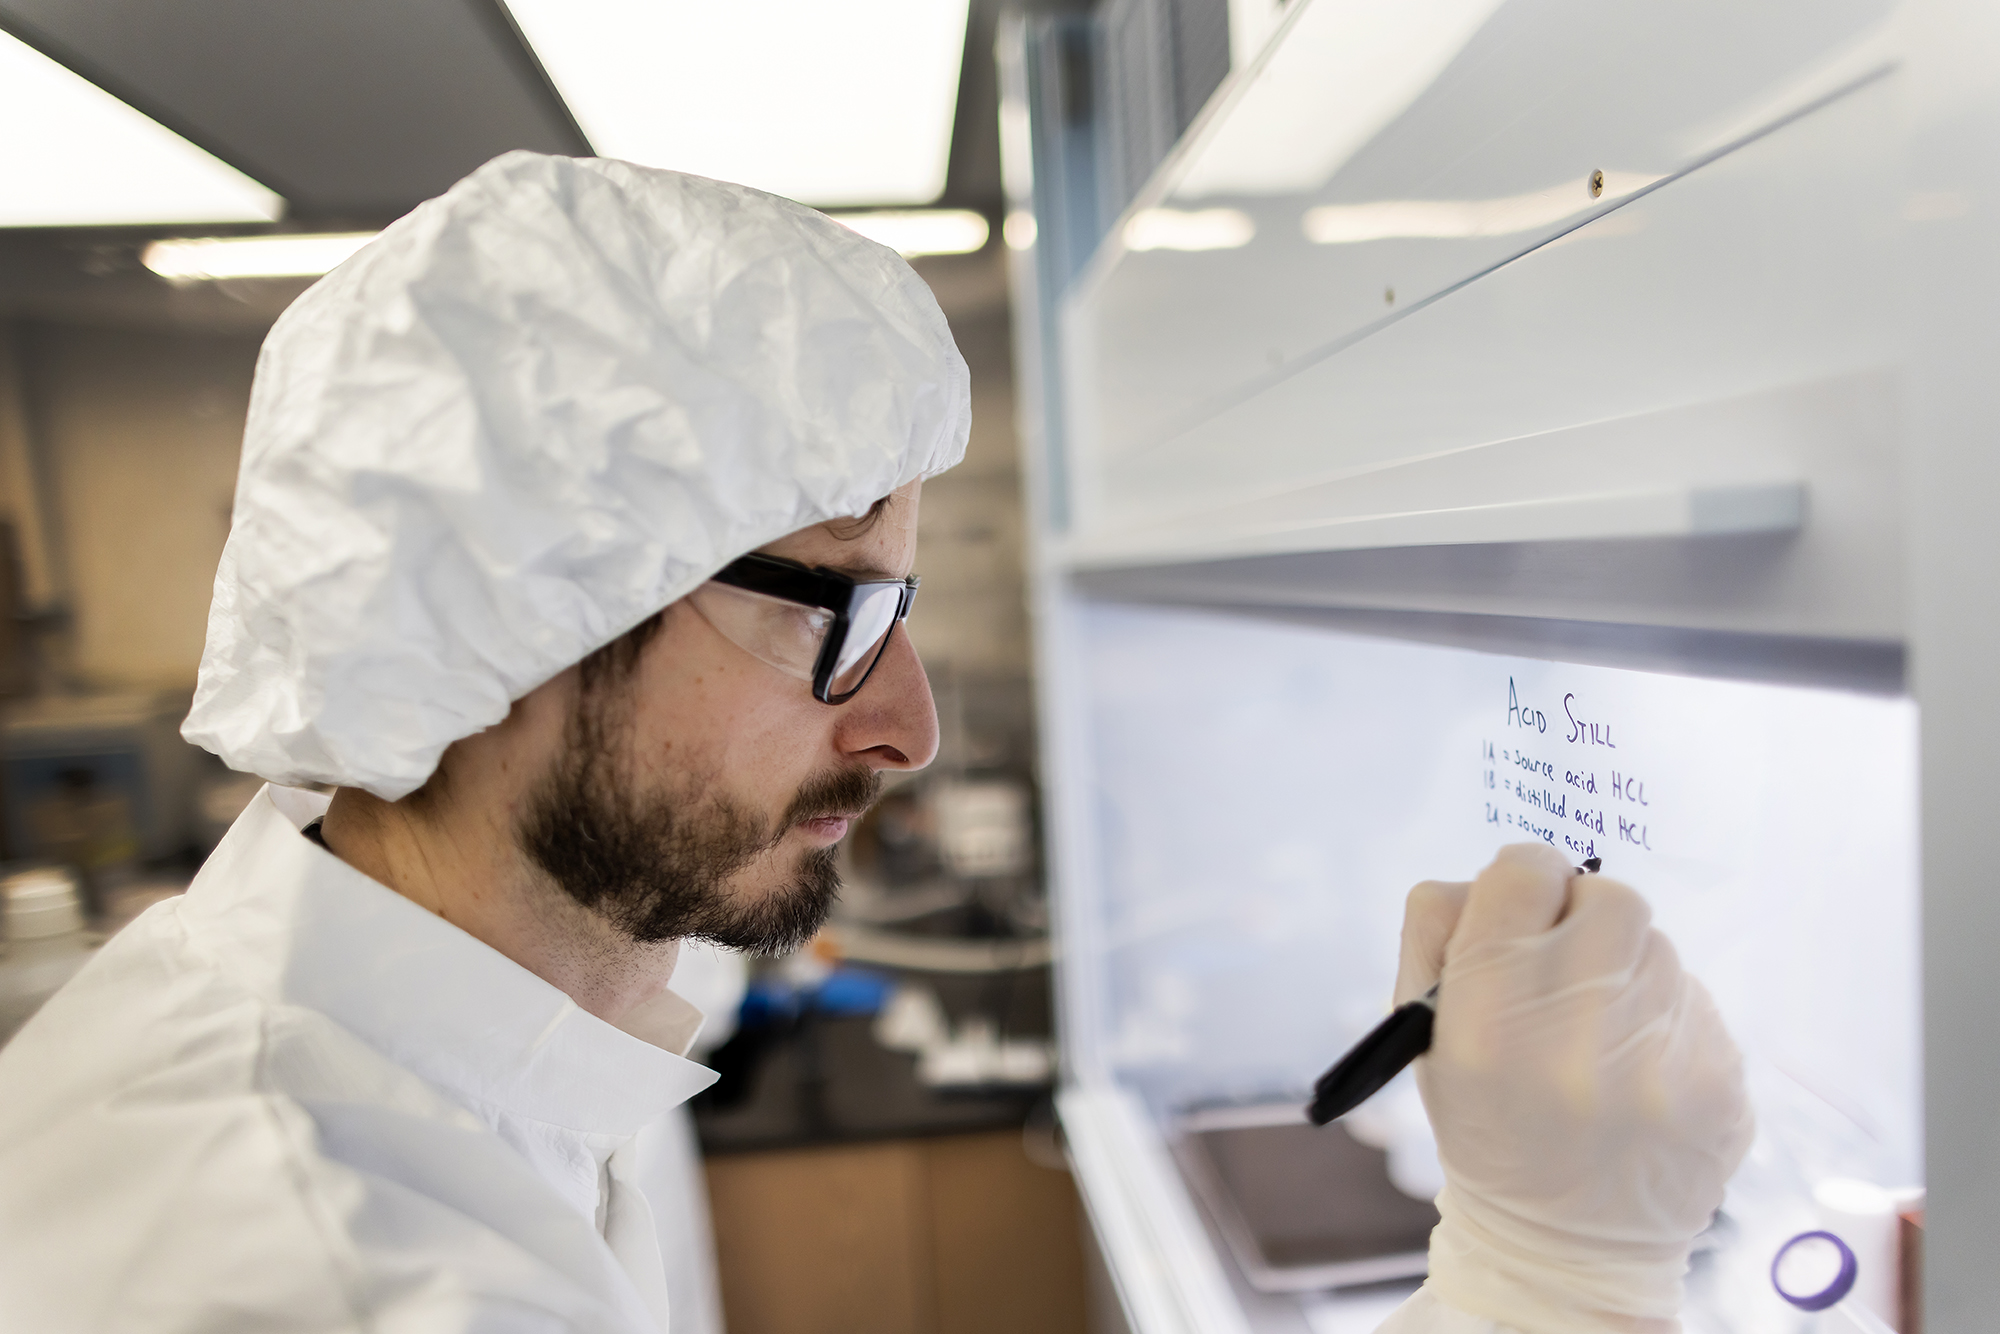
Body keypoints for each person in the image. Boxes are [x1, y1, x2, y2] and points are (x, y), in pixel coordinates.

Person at [0, 151, 1750, 1333]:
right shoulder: (317, 1268)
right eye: (836, 607)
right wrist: (1554, 1268)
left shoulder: (476, 1001)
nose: (905, 725)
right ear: (519, 603)